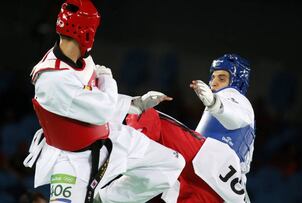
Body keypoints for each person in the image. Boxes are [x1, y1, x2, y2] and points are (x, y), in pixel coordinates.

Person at [23, 0, 185, 202]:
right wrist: (108, 78)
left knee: (170, 164)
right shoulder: (53, 79)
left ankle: (103, 199)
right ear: (87, 32)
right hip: (72, 160)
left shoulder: (83, 60)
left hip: (110, 137)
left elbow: (93, 101)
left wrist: (135, 104)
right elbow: (102, 109)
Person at [126, 54, 255, 203]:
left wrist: (215, 103)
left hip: (214, 162)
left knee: (145, 112)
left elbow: (236, 116)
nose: (213, 83)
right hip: (215, 187)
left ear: (236, 81)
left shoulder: (236, 98)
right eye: (213, 77)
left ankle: (126, 152)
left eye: (221, 78)